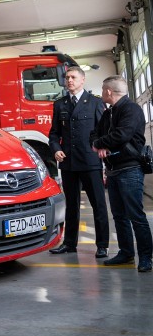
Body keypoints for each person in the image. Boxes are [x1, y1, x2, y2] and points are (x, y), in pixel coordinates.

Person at [90, 76, 152, 272]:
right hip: (113, 170)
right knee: (119, 215)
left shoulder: (130, 109)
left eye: (102, 89)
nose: (101, 92)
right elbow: (95, 133)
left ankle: (146, 257)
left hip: (130, 169)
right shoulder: (109, 113)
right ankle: (126, 253)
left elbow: (122, 134)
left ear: (109, 91)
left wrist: (101, 144)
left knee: (136, 215)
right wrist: (98, 144)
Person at [48, 66, 110, 258]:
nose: (69, 81)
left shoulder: (95, 103)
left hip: (90, 162)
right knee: (71, 205)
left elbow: (104, 132)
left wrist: (104, 156)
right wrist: (56, 150)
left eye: (73, 77)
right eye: (67, 78)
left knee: (98, 204)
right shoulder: (60, 105)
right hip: (69, 163)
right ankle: (69, 243)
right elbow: (54, 133)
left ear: (83, 80)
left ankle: (102, 245)